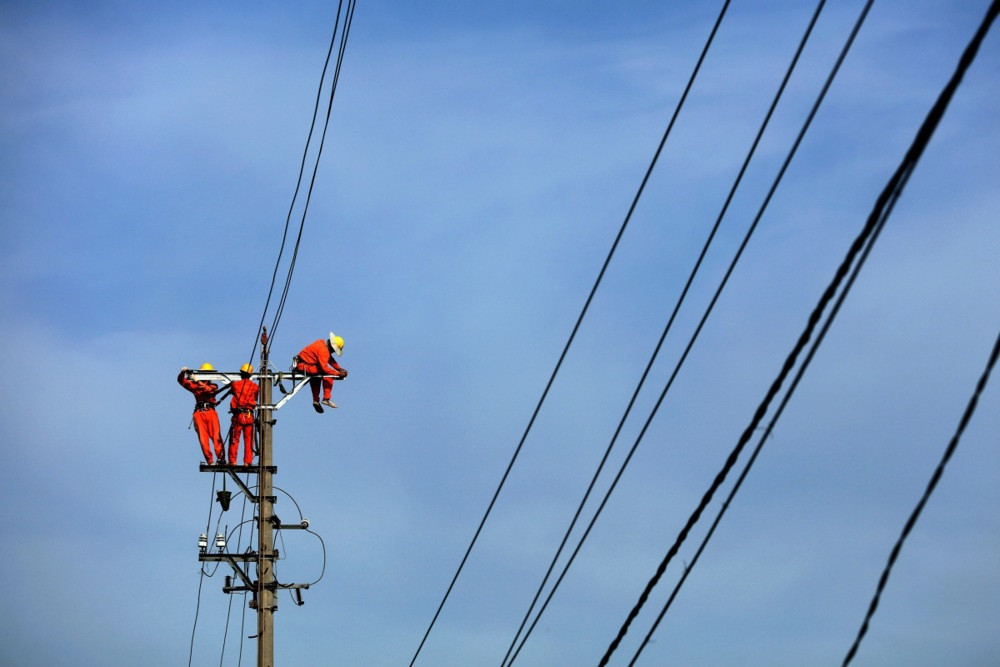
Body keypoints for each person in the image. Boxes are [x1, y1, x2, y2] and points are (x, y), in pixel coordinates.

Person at [178, 363, 225, 465]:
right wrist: (182, 373)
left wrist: (197, 381)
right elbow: (182, 381)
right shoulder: (195, 386)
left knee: (216, 436)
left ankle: (221, 458)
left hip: (210, 412)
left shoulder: (213, 386)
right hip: (199, 413)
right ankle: (210, 461)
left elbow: (208, 390)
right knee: (203, 440)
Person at [295, 332, 348, 413]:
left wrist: (339, 369)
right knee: (328, 374)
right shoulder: (323, 350)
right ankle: (326, 398)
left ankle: (316, 401)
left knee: (316, 378)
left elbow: (329, 358)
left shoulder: (321, 343)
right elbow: (324, 368)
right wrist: (338, 373)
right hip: (305, 366)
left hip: (304, 365)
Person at [227, 363, 259, 466]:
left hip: (238, 416)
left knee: (234, 439)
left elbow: (233, 392)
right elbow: (255, 398)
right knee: (249, 440)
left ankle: (232, 461)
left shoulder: (235, 385)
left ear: (241, 373)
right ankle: (247, 462)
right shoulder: (255, 386)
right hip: (249, 416)